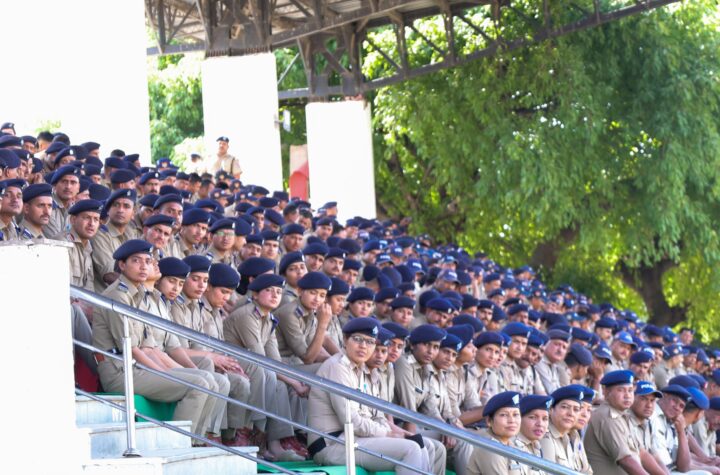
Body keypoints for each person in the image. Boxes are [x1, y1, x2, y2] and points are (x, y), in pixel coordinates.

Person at [91, 239, 216, 438]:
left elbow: (149, 347)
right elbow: (131, 348)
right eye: (136, 261)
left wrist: (170, 371)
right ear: (122, 265)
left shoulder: (140, 295)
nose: (143, 266)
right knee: (199, 384)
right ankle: (176, 442)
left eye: (148, 261)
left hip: (136, 368)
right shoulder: (118, 295)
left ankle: (197, 441)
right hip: (119, 372)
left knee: (208, 380)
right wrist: (164, 373)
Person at [307, 317, 431, 474]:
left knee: (423, 445)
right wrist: (388, 433)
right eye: (357, 339)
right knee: (411, 449)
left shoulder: (362, 370)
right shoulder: (338, 367)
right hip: (331, 443)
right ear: (345, 340)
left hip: (353, 438)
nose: (363, 346)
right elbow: (351, 420)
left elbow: (376, 416)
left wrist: (396, 432)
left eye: (370, 342)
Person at [223, 273, 306, 461]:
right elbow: (260, 358)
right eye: (269, 290)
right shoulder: (247, 315)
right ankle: (245, 432)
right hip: (230, 360)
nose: (275, 295)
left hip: (250, 364)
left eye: (278, 292)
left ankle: (269, 439)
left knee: (278, 383)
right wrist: (295, 383)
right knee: (264, 372)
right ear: (255, 295)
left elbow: (274, 360)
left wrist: (294, 382)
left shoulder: (269, 319)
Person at [584, 370, 645, 474]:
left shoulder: (623, 414)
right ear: (606, 392)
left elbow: (642, 453)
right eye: (621, 390)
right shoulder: (607, 416)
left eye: (630, 390)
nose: (627, 395)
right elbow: (625, 460)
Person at [466, 391, 523, 475]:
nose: (512, 420)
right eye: (504, 415)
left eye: (515, 415)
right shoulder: (490, 449)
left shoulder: (511, 444)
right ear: (489, 421)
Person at [92, 189, 138, 290]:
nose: (120, 210)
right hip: (105, 296)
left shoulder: (131, 235)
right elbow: (110, 275)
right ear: (108, 210)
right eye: (116, 205)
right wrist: (138, 288)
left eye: (126, 206)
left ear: (133, 213)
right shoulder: (100, 235)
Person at [516, 394, 553, 471]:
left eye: (545, 419)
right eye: (532, 417)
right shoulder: (511, 446)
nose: (540, 424)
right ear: (519, 419)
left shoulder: (537, 447)